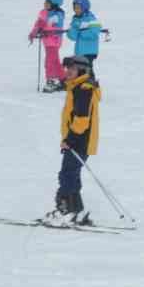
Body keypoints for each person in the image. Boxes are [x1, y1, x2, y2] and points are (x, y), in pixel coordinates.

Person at [52, 55, 101, 222]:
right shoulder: (78, 87)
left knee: (66, 175)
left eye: (72, 69)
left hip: (79, 141)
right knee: (72, 174)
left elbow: (81, 120)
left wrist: (70, 140)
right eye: (67, 68)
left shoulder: (83, 89)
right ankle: (77, 211)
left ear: (81, 70)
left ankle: (65, 211)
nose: (68, 72)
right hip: (79, 140)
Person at [30, 0, 68, 92]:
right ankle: (64, 79)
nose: (45, 4)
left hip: (54, 42)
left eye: (48, 2)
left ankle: (50, 80)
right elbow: (38, 24)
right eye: (45, 2)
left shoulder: (58, 15)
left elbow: (54, 27)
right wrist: (33, 33)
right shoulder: (43, 12)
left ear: (55, 4)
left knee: (49, 62)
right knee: (55, 61)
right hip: (47, 42)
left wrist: (45, 30)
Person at [66, 0, 102, 76]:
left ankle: (93, 85)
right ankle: (83, 86)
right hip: (79, 51)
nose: (76, 10)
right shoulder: (75, 19)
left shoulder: (91, 19)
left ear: (84, 8)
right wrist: (72, 30)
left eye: (78, 8)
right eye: (75, 8)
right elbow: (73, 37)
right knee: (81, 70)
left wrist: (81, 32)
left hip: (89, 51)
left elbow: (94, 33)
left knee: (87, 69)